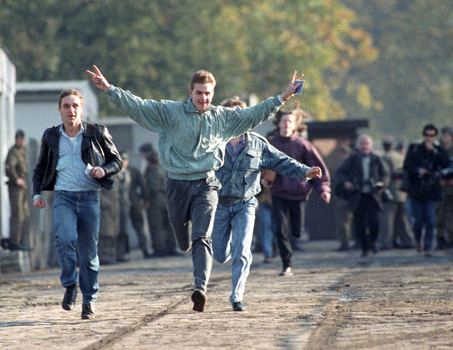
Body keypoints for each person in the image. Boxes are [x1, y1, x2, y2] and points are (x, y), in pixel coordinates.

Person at [87, 65, 303, 312]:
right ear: (190, 92)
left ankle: (200, 288)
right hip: (177, 184)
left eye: (208, 93)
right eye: (199, 93)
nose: (204, 98)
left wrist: (283, 96)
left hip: (207, 183)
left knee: (202, 236)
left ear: (213, 93)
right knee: (184, 240)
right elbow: (139, 106)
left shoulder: (221, 117)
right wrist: (110, 90)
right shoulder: (171, 113)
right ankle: (186, 241)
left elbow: (254, 114)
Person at [212, 97, 321, 311]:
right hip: (220, 205)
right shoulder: (212, 142)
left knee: (242, 250)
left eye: (240, 114)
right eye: (230, 114)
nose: (235, 118)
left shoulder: (257, 143)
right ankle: (228, 247)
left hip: (245, 204)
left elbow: (281, 161)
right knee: (219, 253)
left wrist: (304, 171)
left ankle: (236, 296)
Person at [32, 88, 122, 319]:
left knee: (89, 253)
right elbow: (40, 168)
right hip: (64, 198)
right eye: (66, 106)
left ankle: (89, 302)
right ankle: (70, 284)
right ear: (59, 110)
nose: (71, 110)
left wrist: (104, 169)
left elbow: (116, 160)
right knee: (65, 239)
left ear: (81, 109)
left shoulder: (96, 132)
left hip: (90, 198)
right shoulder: (51, 136)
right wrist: (36, 193)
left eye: (75, 106)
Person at [268, 110, 331, 276]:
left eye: (290, 121)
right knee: (280, 229)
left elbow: (318, 169)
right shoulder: (271, 144)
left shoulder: (303, 145)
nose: (287, 124)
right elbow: (260, 165)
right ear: (278, 123)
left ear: (295, 124)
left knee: (296, 231)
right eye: (284, 121)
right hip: (278, 192)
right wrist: (264, 179)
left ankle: (294, 236)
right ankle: (286, 263)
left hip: (299, 193)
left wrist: (323, 189)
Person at [334, 135, 388, 258]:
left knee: (375, 221)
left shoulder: (376, 159)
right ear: (358, 146)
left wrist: (382, 183)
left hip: (373, 195)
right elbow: (340, 173)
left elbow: (385, 174)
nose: (364, 146)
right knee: (359, 223)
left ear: (371, 145)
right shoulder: (352, 159)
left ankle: (373, 243)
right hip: (358, 196)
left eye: (367, 143)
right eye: (362, 144)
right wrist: (346, 182)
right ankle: (364, 247)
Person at [403, 123, 451, 256]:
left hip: (431, 190)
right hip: (417, 190)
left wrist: (434, 152)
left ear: (435, 136)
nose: (429, 138)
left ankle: (428, 247)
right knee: (418, 221)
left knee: (430, 220)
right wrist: (417, 170)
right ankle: (418, 239)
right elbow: (406, 165)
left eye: (431, 135)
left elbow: (446, 163)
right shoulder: (415, 149)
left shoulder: (438, 150)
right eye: (427, 135)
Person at [380, 137, 413, 250]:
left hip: (391, 191)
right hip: (402, 191)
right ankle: (407, 240)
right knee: (402, 218)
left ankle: (386, 243)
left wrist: (383, 188)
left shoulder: (385, 157)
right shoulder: (400, 156)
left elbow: (386, 174)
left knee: (388, 219)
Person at [143, 150, 177, 257]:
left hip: (155, 202)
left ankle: (160, 249)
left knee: (157, 226)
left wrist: (146, 199)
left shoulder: (153, 171)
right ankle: (171, 248)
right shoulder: (165, 169)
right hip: (167, 201)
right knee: (169, 226)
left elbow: (152, 188)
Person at [4, 130, 31, 251]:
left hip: (22, 188)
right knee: (17, 213)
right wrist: (16, 179)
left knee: (25, 214)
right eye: (19, 139)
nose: (22, 142)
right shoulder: (14, 152)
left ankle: (20, 240)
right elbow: (9, 167)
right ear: (16, 140)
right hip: (15, 188)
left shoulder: (21, 152)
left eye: (23, 140)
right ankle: (14, 242)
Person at [332, 145, 355, 251]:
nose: (342, 156)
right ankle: (344, 242)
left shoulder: (348, 166)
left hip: (347, 197)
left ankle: (346, 243)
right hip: (341, 196)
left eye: (344, 154)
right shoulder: (341, 166)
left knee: (345, 221)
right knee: (342, 221)